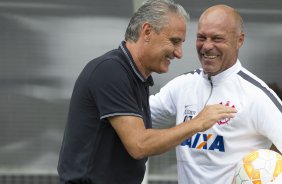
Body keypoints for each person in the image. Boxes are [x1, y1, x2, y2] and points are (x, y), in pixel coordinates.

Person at [57, 1, 237, 184]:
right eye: (174, 41)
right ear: (147, 32)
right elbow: (139, 144)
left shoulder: (135, 77)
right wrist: (197, 123)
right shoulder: (110, 71)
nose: (179, 53)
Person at [150, 4, 282, 184]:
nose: (207, 46)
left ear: (239, 40)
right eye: (201, 37)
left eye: (217, 38)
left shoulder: (256, 95)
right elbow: (136, 120)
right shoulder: (182, 86)